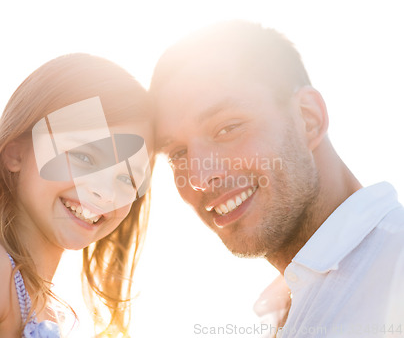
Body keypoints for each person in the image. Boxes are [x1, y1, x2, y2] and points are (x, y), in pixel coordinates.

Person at [150, 20, 404, 337]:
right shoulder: (283, 310)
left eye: (227, 128)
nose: (199, 177)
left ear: (308, 119)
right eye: (177, 154)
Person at [0, 54, 153, 338]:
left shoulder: (49, 308)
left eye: (127, 178)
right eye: (84, 157)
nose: (104, 191)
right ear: (16, 153)